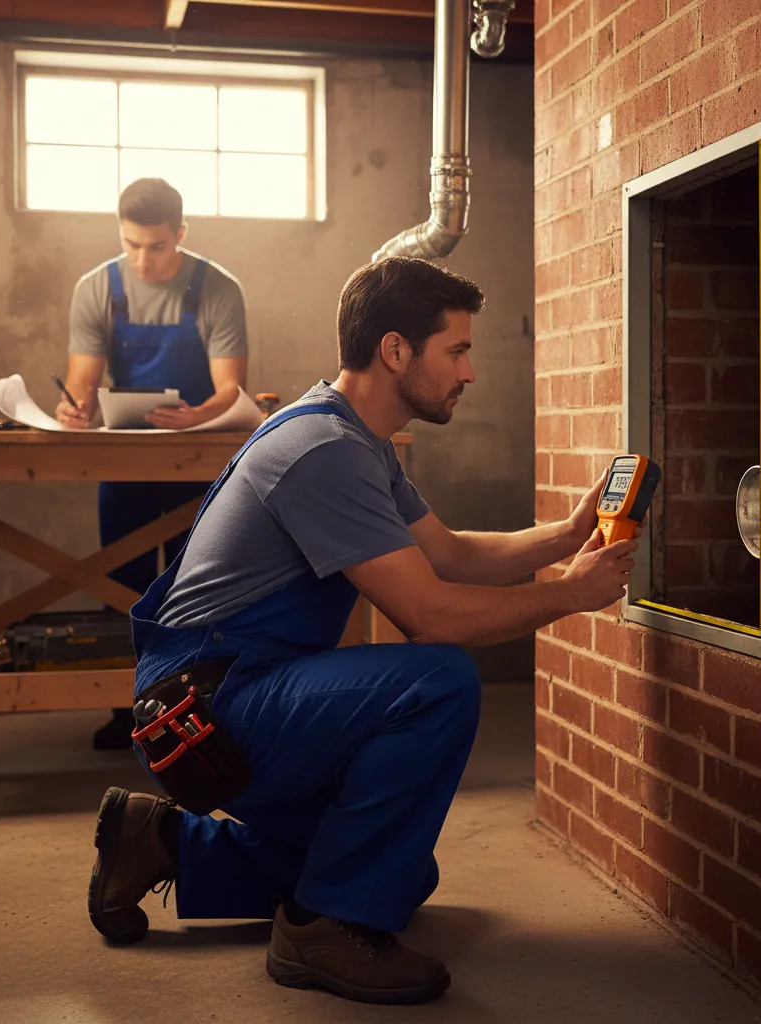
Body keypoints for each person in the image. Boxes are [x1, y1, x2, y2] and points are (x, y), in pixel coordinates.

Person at [87, 257, 638, 1005]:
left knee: (402, 872)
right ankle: (322, 930)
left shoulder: (353, 437)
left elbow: (447, 553)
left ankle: (161, 845)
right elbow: (431, 613)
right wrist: (568, 598)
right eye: (458, 351)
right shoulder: (324, 453)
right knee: (436, 679)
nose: (469, 372)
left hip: (224, 694)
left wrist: (566, 537)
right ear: (396, 351)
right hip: (200, 712)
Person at [55, 178, 248, 750]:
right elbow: (82, 383)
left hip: (200, 457)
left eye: (157, 246)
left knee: (199, 583)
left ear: (180, 235)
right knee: (125, 583)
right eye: (131, 244)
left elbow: (230, 387)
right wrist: (76, 406)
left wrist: (202, 415)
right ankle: (129, 713)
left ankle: (200, 713)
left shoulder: (218, 288)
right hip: (127, 457)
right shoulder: (96, 289)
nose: (143, 258)